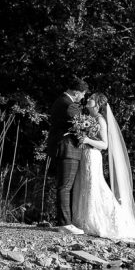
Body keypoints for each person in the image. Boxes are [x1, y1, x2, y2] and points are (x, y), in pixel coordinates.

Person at [72, 93, 135, 251]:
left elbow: (104, 145)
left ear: (97, 104)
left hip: (93, 155)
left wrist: (87, 140)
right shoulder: (86, 117)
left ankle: (96, 221)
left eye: (90, 98)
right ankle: (82, 221)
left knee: (94, 186)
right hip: (84, 155)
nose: (87, 99)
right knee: (84, 185)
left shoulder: (100, 120)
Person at [47, 77, 89, 235]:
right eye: (83, 94)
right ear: (76, 92)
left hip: (63, 147)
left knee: (64, 186)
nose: (83, 97)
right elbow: (80, 126)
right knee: (65, 186)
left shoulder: (61, 101)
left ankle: (65, 222)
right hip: (67, 148)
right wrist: (88, 129)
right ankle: (65, 224)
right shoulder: (68, 105)